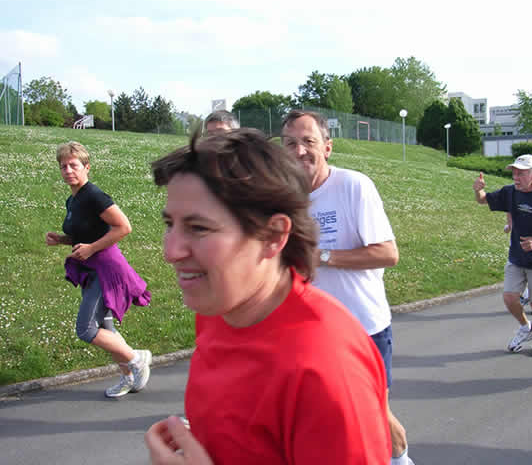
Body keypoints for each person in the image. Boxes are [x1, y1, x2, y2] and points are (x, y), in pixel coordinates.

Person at [145, 128, 391, 464]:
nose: (171, 251)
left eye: (198, 228)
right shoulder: (219, 310)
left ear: (273, 236)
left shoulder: (325, 369)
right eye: (169, 224)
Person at [280, 110, 413, 465]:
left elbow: (388, 253)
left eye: (308, 142)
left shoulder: (353, 186)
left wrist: (320, 256)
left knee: (375, 416)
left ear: (328, 147)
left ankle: (401, 461)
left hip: (362, 327)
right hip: (309, 332)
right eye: (290, 143)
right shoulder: (282, 199)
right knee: (326, 420)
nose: (299, 151)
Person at [46, 141, 152, 398]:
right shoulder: (73, 200)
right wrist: (62, 239)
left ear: (86, 168)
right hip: (91, 270)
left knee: (86, 329)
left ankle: (137, 358)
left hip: (107, 270)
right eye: (64, 166)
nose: (68, 170)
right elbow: (87, 233)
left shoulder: (94, 195)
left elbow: (123, 227)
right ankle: (128, 377)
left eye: (74, 165)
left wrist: (92, 248)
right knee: (106, 328)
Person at [472, 154, 532, 357]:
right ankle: (526, 329)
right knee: (510, 298)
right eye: (514, 173)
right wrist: (478, 190)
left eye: (521, 173)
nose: (516, 177)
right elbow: (483, 200)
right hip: (517, 256)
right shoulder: (510, 192)